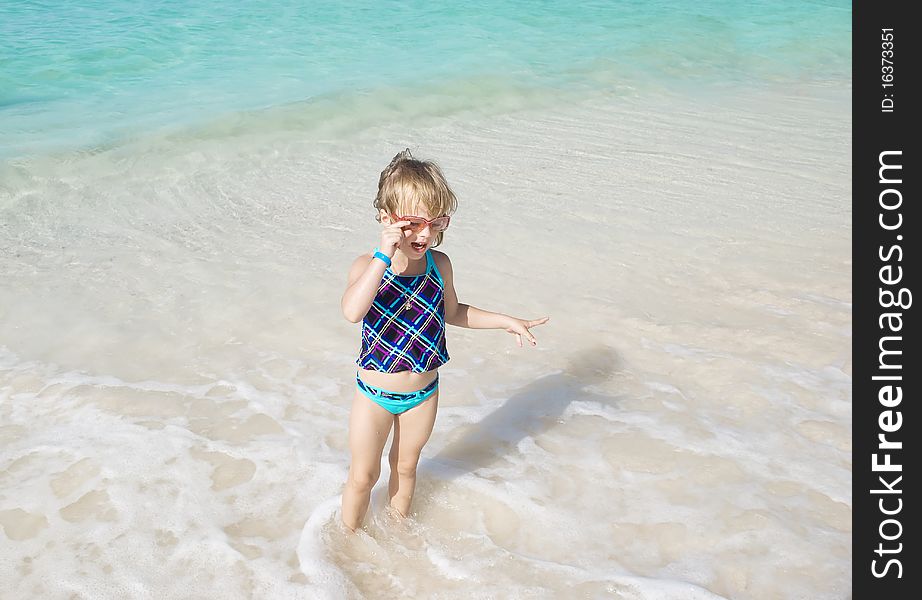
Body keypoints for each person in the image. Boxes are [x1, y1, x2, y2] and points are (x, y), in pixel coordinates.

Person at [339, 149, 549, 532]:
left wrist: (505, 321)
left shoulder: (440, 265)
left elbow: (452, 312)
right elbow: (352, 311)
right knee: (362, 477)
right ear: (386, 219)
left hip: (424, 393)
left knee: (405, 468)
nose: (425, 234)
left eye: (435, 223)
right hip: (373, 395)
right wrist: (383, 257)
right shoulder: (367, 268)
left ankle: (397, 536)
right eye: (413, 223)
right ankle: (348, 541)